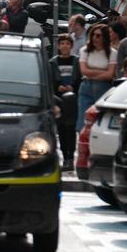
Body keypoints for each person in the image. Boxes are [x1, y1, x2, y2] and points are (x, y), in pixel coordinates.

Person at [77, 24, 116, 132]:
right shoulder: (85, 50)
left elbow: (110, 74)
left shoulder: (112, 53)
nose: (95, 37)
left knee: (100, 121)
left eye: (98, 35)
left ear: (104, 37)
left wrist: (92, 72)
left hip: (103, 88)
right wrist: (102, 72)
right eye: (93, 35)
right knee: (83, 122)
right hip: (86, 87)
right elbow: (83, 71)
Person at [50, 35, 79, 170]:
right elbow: (50, 82)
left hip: (73, 100)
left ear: (71, 46)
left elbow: (80, 79)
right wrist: (57, 87)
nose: (65, 46)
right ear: (58, 46)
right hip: (59, 101)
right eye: (62, 43)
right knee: (61, 130)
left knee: (70, 129)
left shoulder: (77, 61)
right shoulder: (53, 62)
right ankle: (65, 157)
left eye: (68, 43)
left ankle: (71, 158)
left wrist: (73, 87)